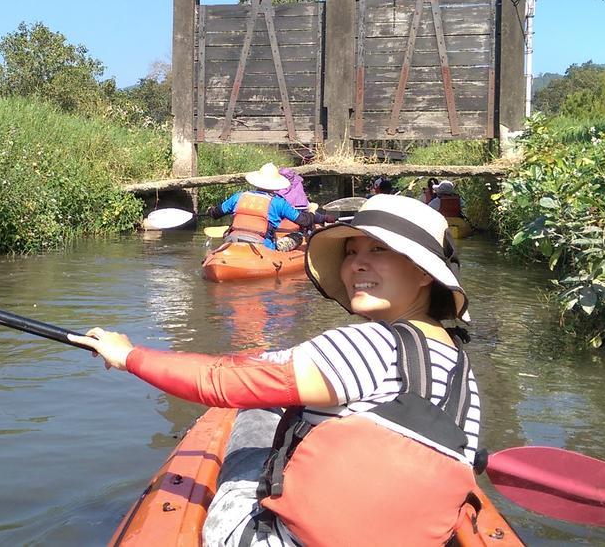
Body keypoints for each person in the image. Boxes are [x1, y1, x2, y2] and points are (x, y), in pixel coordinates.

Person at [73, 195, 480, 545]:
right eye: (352, 252)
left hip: (272, 541)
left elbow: (221, 382)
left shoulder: (368, 344)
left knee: (254, 412)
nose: (356, 265)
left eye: (377, 251)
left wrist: (128, 356)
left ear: (425, 272)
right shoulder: (462, 369)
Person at [203, 163, 334, 252]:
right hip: (262, 246)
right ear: (276, 185)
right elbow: (304, 221)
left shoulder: (238, 196)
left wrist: (210, 211)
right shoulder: (279, 203)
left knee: (228, 231)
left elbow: (216, 213)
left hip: (232, 241)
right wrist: (311, 212)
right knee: (298, 236)